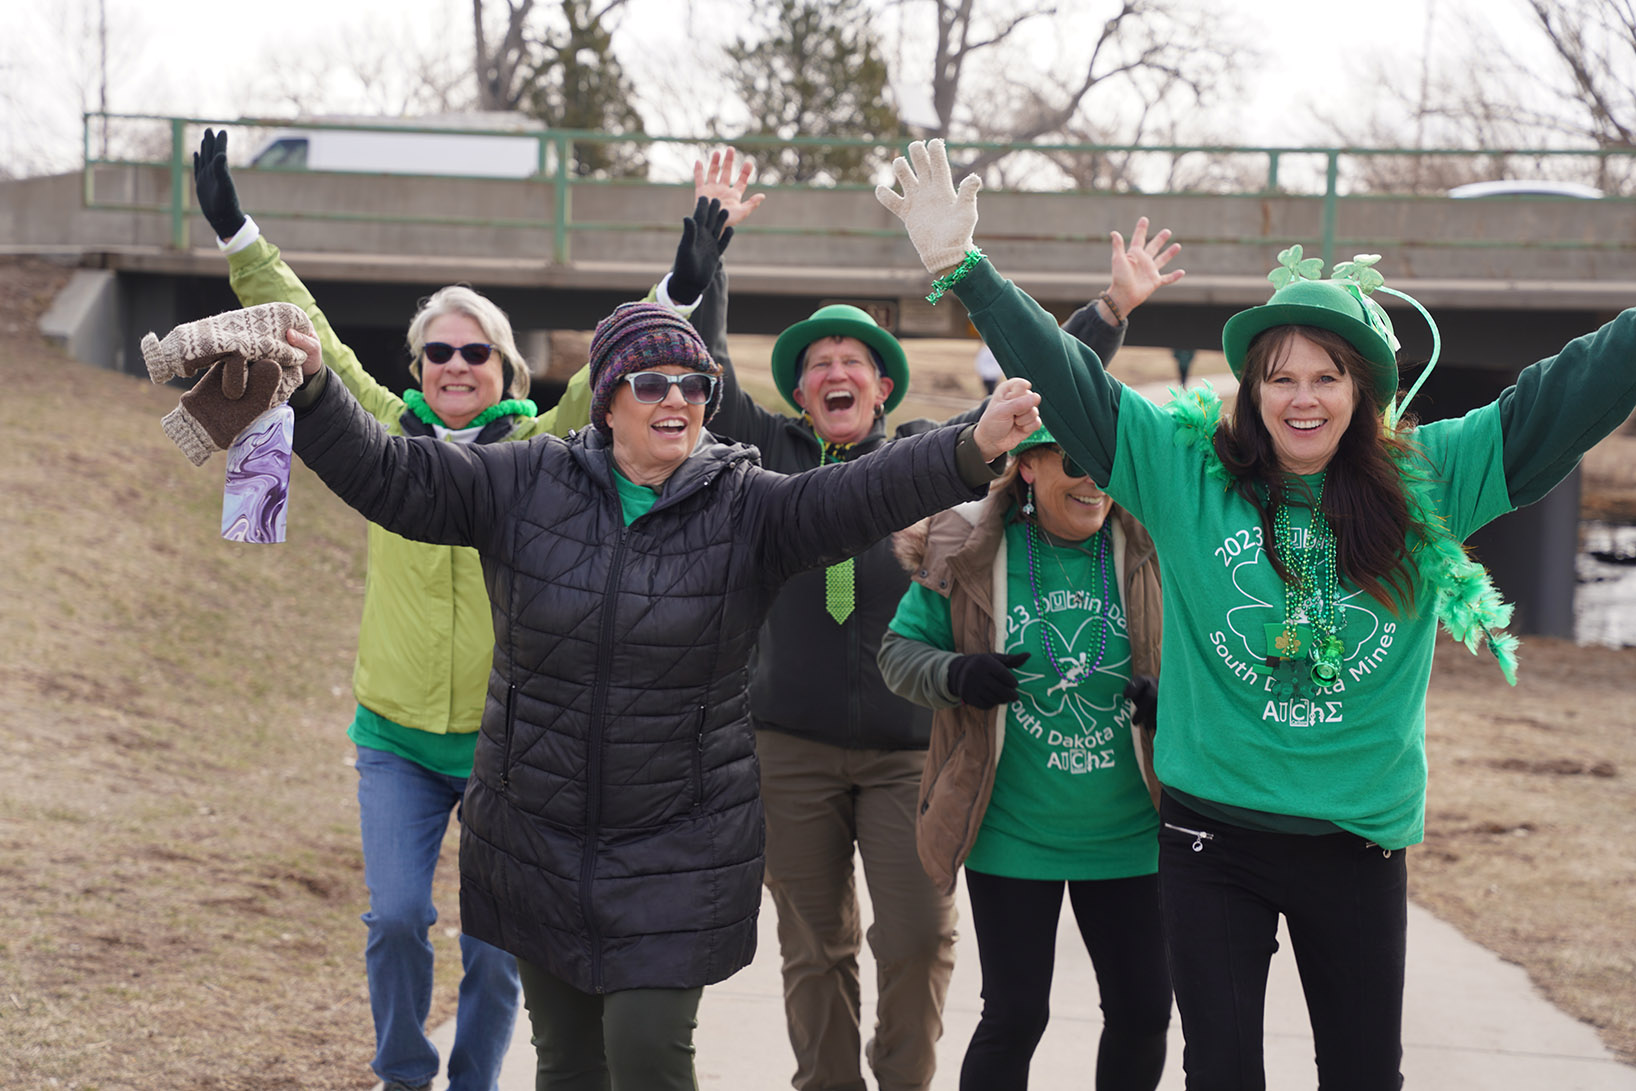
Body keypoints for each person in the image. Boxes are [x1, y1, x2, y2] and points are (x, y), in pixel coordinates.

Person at [874, 138, 1636, 1090]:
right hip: (1211, 840)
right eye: (1280, 376)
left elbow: (1563, 396)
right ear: (1253, 390)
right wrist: (966, 272)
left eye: (1327, 376)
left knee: (1364, 1074)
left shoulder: (1429, 481)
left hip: (1356, 842)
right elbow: (1069, 383)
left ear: (1363, 392)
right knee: (1222, 1069)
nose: (1302, 397)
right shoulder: (1186, 474)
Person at [276, 296, 1044, 1089]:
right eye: (651, 383)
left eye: (695, 384)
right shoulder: (523, 478)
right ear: (607, 396)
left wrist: (969, 445)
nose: (677, 399)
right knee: (570, 1065)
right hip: (537, 834)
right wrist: (313, 391)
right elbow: (395, 477)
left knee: (647, 1056)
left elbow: (857, 493)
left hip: (679, 845)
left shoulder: (748, 504)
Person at [656, 148, 1182, 1091]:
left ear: (886, 387)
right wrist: (706, 266)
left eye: (855, 360)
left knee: (913, 943)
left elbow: (1032, 398)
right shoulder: (757, 455)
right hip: (789, 747)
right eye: (817, 364)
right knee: (814, 950)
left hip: (909, 754)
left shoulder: (924, 464)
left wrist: (1106, 314)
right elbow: (699, 368)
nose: (835, 371)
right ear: (801, 390)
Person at [193, 128, 590, 1091]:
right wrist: (240, 234)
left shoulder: (547, 449)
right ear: (416, 372)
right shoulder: (380, 433)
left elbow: (608, 383)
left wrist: (684, 293)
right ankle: (406, 1074)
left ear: (507, 372)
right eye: (438, 352)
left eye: (475, 352)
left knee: (499, 948)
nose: (456, 364)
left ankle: (474, 1081)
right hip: (398, 737)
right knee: (399, 917)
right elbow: (312, 334)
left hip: (509, 740)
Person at [877, 424, 1171, 1089]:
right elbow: (898, 654)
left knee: (1144, 1011)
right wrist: (956, 675)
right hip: (1012, 831)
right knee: (1015, 1015)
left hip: (1132, 834)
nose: (1092, 478)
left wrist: (1174, 702)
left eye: (1102, 460)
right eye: (1073, 460)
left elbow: (1219, 657)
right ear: (1029, 468)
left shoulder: (1155, 541)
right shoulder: (968, 548)